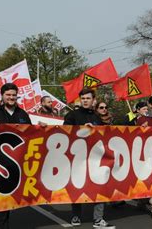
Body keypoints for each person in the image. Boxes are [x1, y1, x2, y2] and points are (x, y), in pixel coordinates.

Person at [0, 83, 33, 229]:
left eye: (14, 95)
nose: (11, 97)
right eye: (8, 95)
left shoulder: (23, 114)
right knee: (0, 199)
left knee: (10, 199)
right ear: (2, 96)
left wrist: (42, 128)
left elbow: (31, 135)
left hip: (16, 164)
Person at [64, 88, 115, 229]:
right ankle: (75, 215)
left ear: (93, 100)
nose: (85, 100)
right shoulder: (71, 115)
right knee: (77, 187)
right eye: (83, 98)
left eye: (88, 98)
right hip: (77, 158)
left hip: (95, 159)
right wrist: (82, 130)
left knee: (100, 186)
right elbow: (64, 135)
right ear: (80, 100)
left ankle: (98, 219)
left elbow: (103, 137)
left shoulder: (97, 117)